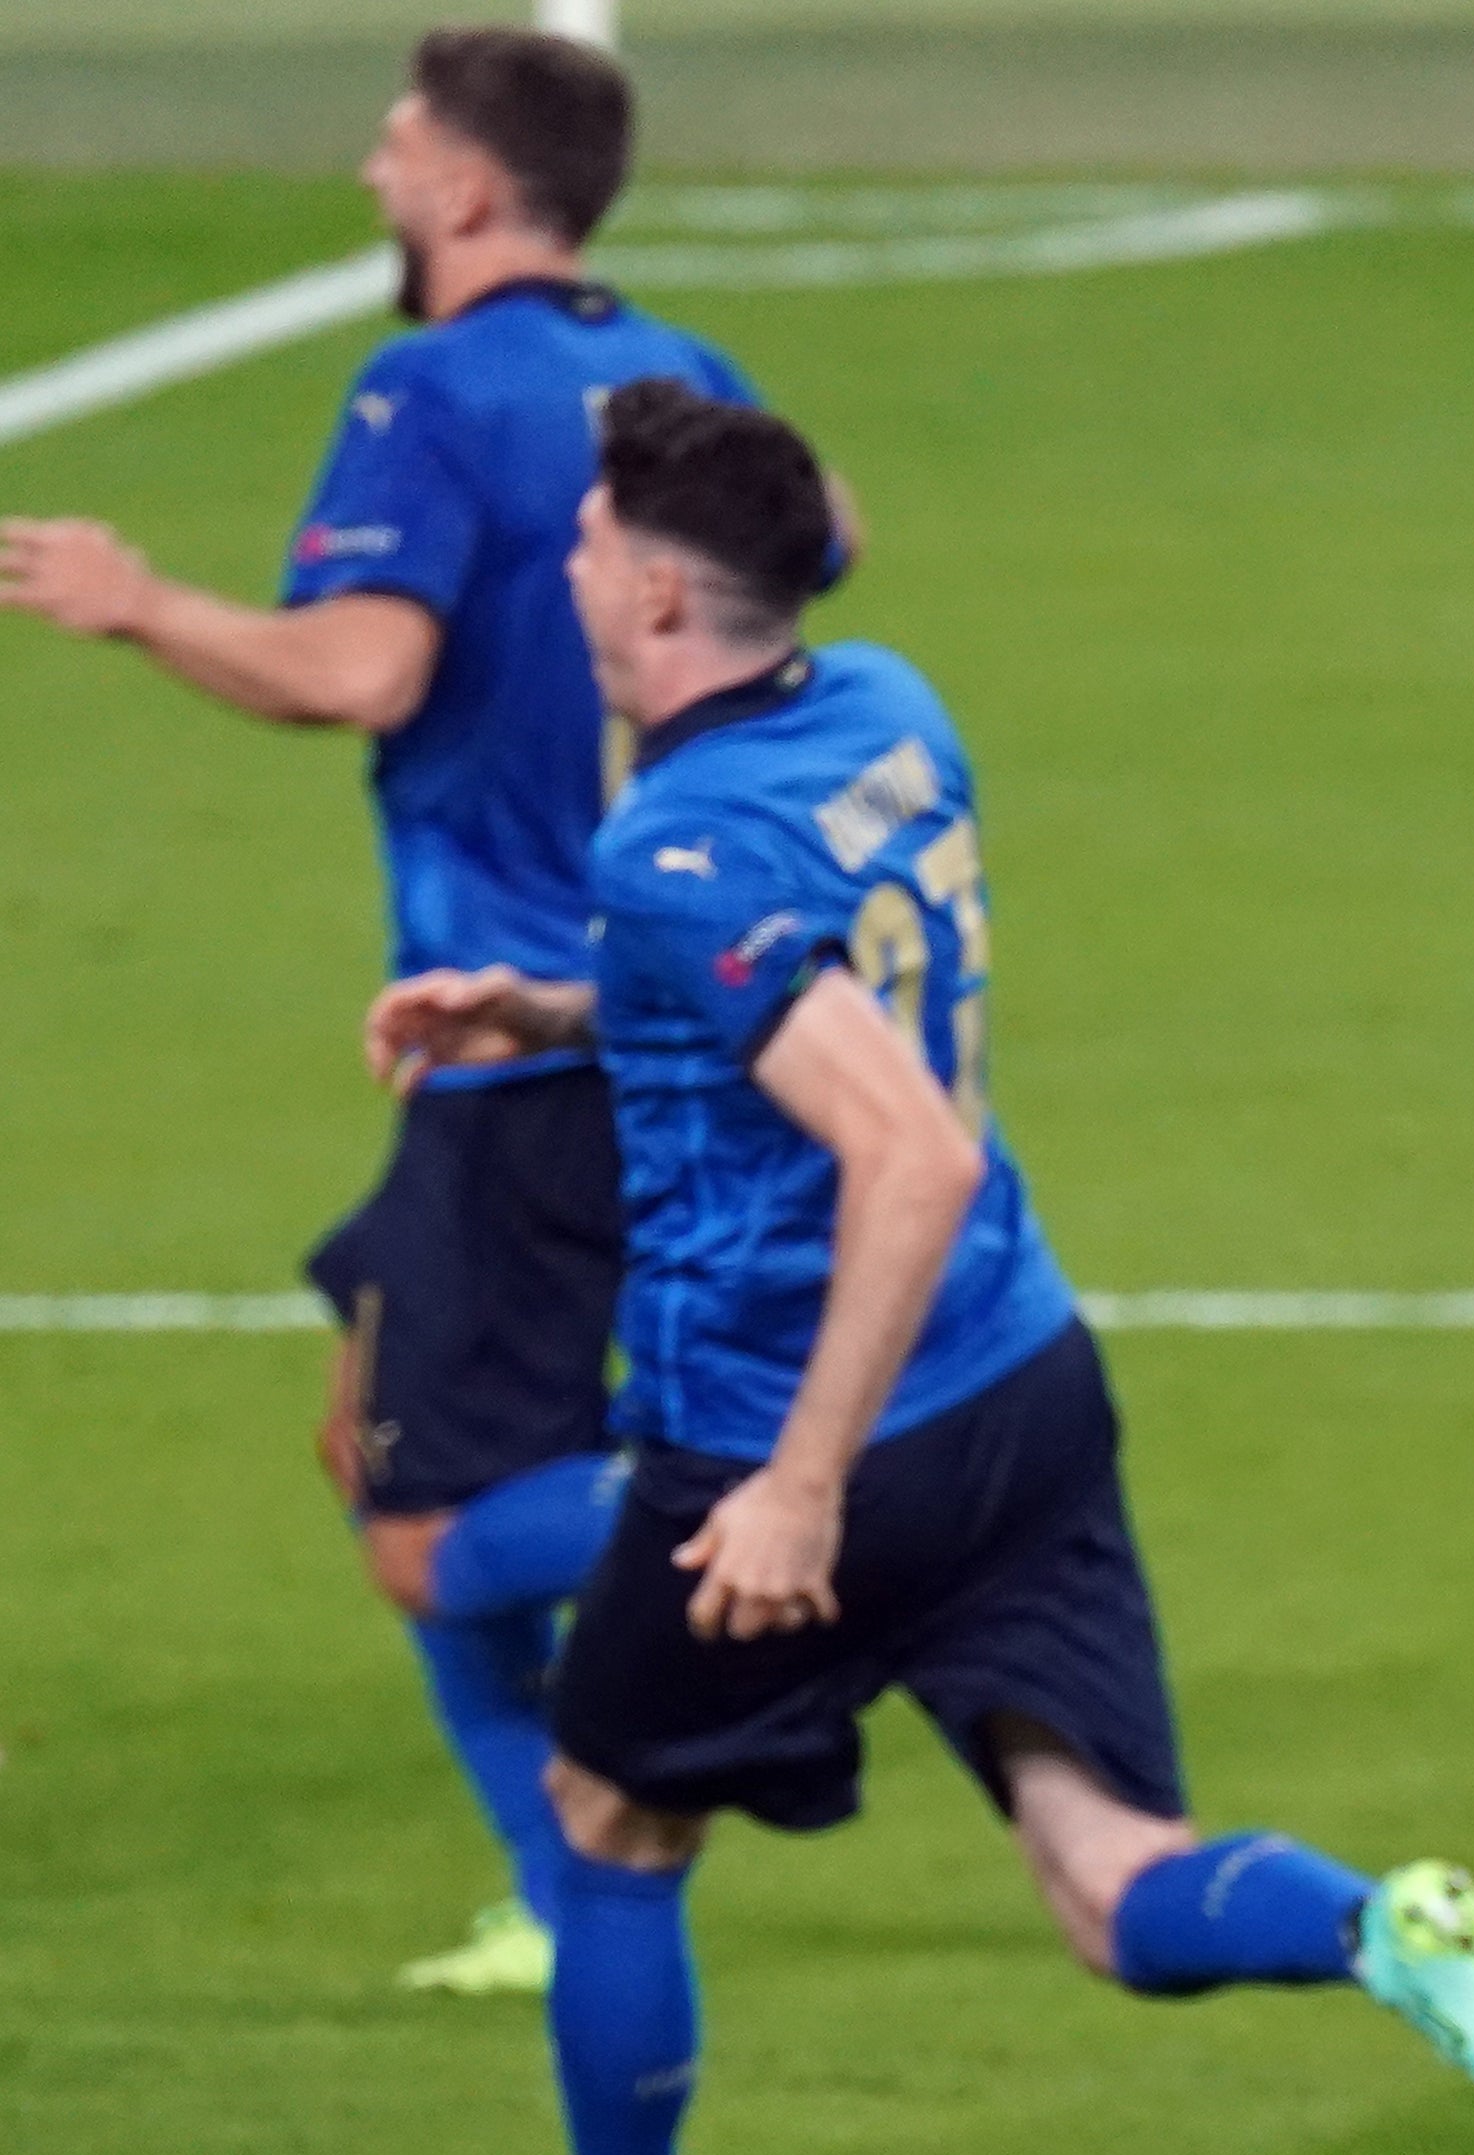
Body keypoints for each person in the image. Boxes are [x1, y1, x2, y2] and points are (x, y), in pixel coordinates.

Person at [362, 383, 1474, 2155]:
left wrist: (792, 1487)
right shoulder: (882, 699)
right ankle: (1372, 1928)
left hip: (799, 1416)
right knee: (1102, 1872)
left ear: (674, 593)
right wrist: (536, 1006)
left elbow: (907, 1151)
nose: (571, 566)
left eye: (598, 542)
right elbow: (797, 1000)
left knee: (609, 1815)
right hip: (1023, 1381)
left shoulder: (678, 843)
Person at [0, 27, 774, 1996]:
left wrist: (137, 600)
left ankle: (792, 1503)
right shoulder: (687, 374)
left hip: (509, 1030)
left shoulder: (426, 389)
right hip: (681, 1003)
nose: (369, 173)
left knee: (424, 1523)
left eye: (396, 143)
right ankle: (565, 1875)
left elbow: (358, 664)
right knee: (389, 1447)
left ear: (463, 189)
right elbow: (827, 535)